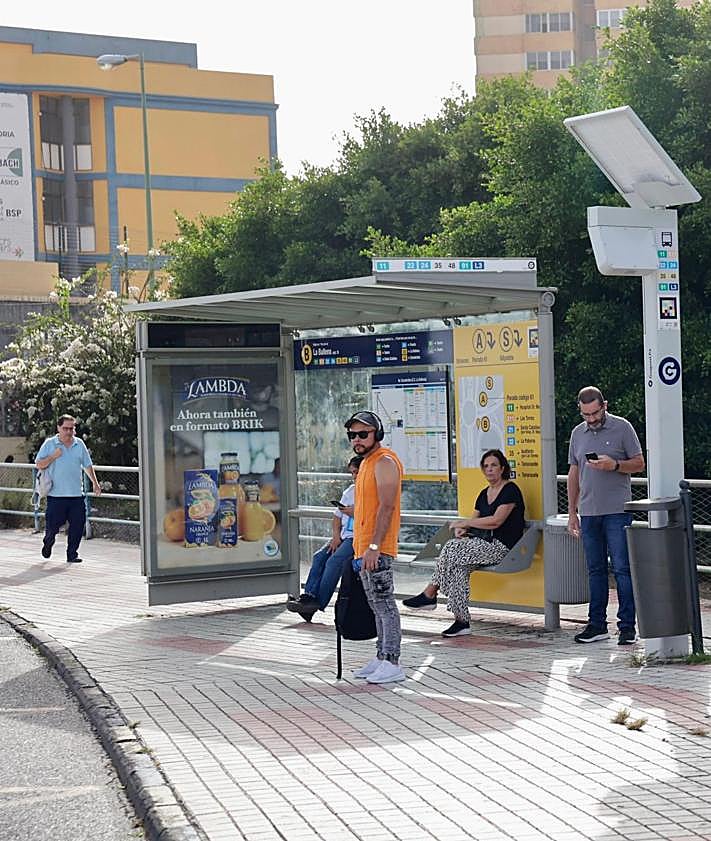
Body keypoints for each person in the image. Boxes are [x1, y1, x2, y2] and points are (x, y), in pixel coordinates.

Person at [403, 449, 525, 637]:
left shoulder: (510, 490)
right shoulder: (484, 493)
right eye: (486, 466)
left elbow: (496, 521)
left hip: (501, 548)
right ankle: (461, 622)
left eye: (493, 465)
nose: (490, 470)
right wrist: (463, 529)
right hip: (480, 545)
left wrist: (466, 523)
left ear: (502, 468)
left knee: (451, 547)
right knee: (459, 567)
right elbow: (474, 519)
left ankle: (430, 593)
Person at [567, 386, 645, 645]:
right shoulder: (578, 433)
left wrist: (615, 465)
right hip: (588, 512)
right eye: (585, 414)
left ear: (605, 405)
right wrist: (572, 512)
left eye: (595, 413)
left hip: (617, 511)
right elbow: (574, 474)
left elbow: (639, 463)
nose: (591, 419)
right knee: (595, 570)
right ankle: (597, 625)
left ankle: (627, 627)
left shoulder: (623, 428)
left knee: (622, 569)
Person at [346, 411, 405, 685]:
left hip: (376, 548)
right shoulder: (366, 463)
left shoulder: (384, 462)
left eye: (363, 434)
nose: (357, 439)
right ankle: (382, 656)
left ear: (377, 434)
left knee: (384, 604)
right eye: (352, 435)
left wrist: (374, 545)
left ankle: (392, 661)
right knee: (375, 604)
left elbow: (387, 506)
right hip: (363, 548)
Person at [287, 455, 363, 620]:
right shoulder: (350, 491)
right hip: (343, 536)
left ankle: (316, 603)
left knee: (334, 562)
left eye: (357, 472)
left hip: (358, 538)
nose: (355, 477)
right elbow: (337, 517)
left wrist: (354, 512)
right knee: (320, 557)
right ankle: (309, 596)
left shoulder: (372, 492)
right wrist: (335, 537)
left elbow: (372, 515)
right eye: (352, 473)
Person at [35, 414, 102, 563]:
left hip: (76, 495)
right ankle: (48, 542)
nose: (68, 432)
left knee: (78, 525)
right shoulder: (50, 444)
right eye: (65, 428)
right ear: (58, 428)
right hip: (56, 496)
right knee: (53, 527)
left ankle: (72, 554)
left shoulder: (79, 444)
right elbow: (39, 464)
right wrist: (53, 456)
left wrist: (95, 484)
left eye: (71, 428)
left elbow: (87, 465)